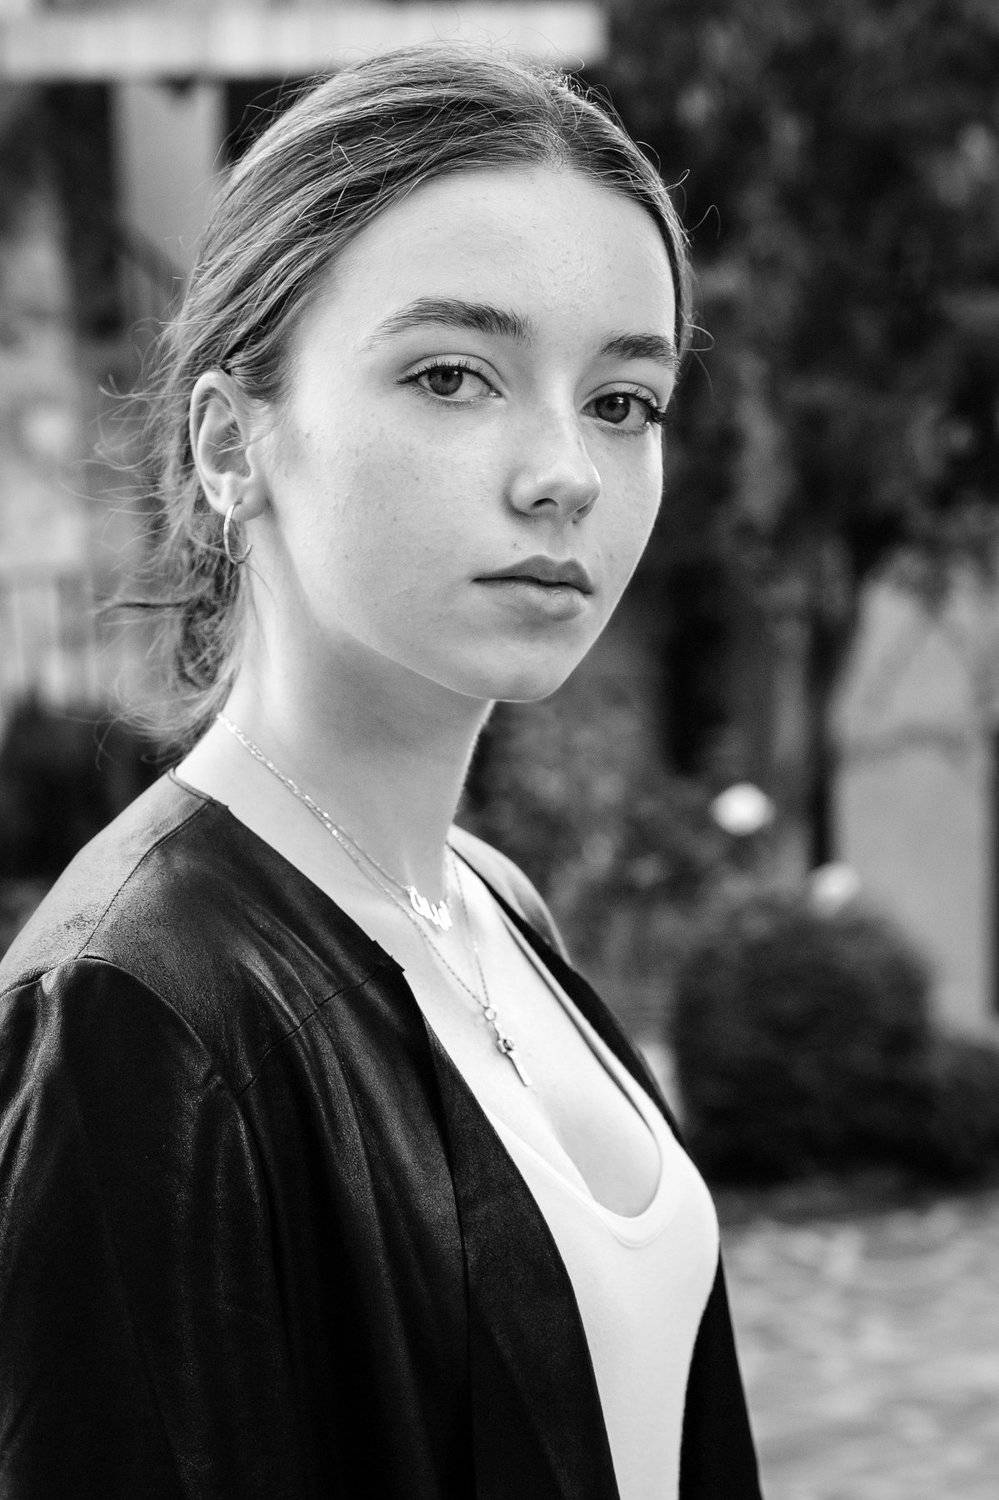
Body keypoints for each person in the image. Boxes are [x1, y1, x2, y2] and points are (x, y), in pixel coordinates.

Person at [0, 44, 762, 1499]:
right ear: (233, 444)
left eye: (625, 400)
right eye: (453, 375)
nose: (567, 473)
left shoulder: (494, 906)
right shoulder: (134, 1011)